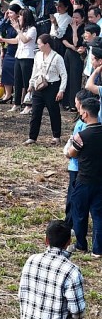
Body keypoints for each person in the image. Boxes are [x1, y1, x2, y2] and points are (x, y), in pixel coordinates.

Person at [18, 220, 85, 319]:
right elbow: (78, 312)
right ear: (68, 242)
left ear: (46, 240)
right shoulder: (71, 271)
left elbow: (22, 295)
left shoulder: (31, 260)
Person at [67, 96, 102, 257]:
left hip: (84, 180)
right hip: (100, 180)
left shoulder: (81, 136)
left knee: (79, 213)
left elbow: (71, 153)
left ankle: (81, 244)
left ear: (85, 114)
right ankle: (98, 249)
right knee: (98, 215)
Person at [24, 34, 67, 145]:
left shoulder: (57, 57)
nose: (38, 46)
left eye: (39, 44)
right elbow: (35, 71)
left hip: (52, 86)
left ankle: (56, 136)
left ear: (46, 44)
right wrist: (31, 84)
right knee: (35, 112)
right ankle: (32, 137)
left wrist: (61, 90)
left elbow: (63, 75)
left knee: (54, 112)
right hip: (39, 86)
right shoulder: (38, 55)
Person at [63, 89, 93, 228]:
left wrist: (68, 152)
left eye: (76, 102)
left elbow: (75, 149)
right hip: (86, 167)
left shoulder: (83, 124)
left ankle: (72, 224)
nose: (75, 105)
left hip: (77, 166)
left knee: (74, 198)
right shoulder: (93, 122)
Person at [8, 9, 38, 114]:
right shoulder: (23, 29)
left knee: (27, 82)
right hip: (19, 56)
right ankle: (17, 103)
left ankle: (29, 104)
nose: (19, 18)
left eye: (20, 16)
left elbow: (25, 40)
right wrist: (3, 40)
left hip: (28, 58)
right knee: (17, 81)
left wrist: (17, 29)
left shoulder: (32, 29)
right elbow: (17, 40)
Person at [62, 9, 86, 111]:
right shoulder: (69, 26)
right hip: (69, 52)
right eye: (73, 17)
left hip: (77, 55)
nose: (74, 19)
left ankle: (73, 103)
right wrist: (71, 47)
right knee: (66, 75)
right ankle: (65, 102)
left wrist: (75, 30)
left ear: (82, 18)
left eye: (77, 17)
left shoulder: (84, 29)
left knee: (75, 78)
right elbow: (64, 39)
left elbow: (77, 43)